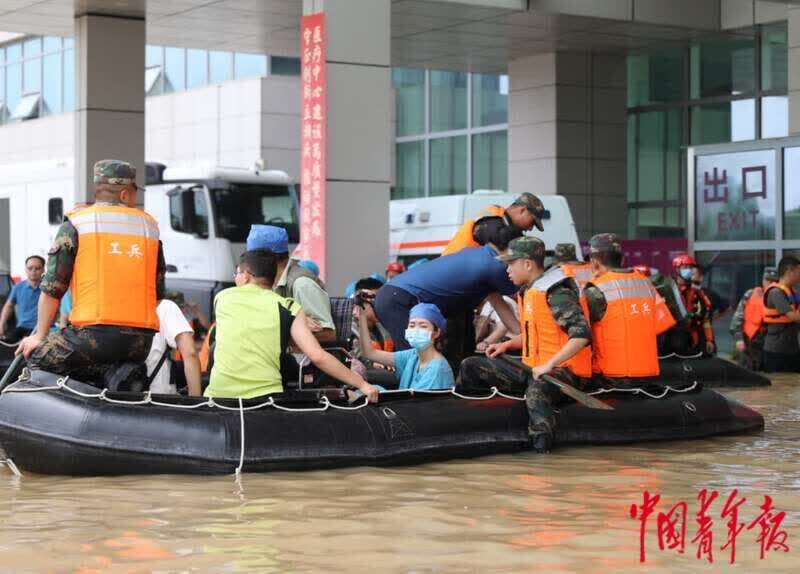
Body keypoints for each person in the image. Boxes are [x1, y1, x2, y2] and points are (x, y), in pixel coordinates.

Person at [16, 160, 165, 388]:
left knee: (35, 356)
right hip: (140, 342)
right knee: (96, 363)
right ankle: (113, 377)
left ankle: (93, 387)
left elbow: (52, 288)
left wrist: (39, 336)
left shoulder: (77, 223)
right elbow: (158, 292)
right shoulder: (150, 229)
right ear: (125, 194)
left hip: (92, 337)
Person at [459, 237, 592, 452]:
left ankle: (542, 452)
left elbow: (581, 335)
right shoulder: (530, 291)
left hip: (564, 372)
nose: (507, 270)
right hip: (533, 367)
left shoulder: (557, 292)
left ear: (527, 264)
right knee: (471, 365)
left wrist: (550, 365)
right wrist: (508, 345)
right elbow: (533, 336)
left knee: (537, 391)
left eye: (511, 264)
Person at [205, 250, 378, 401]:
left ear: (247, 274)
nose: (235, 278)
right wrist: (363, 385)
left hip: (219, 395)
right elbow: (318, 356)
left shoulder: (222, 298)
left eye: (237, 274)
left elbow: (246, 330)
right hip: (265, 397)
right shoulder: (288, 307)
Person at [374, 243, 520, 351]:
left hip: (394, 296)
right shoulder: (493, 267)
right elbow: (515, 290)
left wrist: (523, 338)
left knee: (415, 356)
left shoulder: (477, 262)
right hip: (400, 299)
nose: (510, 272)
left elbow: (500, 306)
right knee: (412, 357)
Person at [583, 234, 665, 383]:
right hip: (648, 373)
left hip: (611, 377)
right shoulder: (646, 283)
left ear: (594, 262)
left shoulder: (595, 290)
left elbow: (580, 335)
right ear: (621, 259)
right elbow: (662, 326)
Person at [248, 225, 336, 343]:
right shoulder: (269, 282)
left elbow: (329, 334)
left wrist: (286, 332)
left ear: (267, 259)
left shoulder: (302, 284)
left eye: (252, 259)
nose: (248, 264)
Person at [357, 301, 453, 391]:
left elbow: (419, 405)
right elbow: (369, 353)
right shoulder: (413, 355)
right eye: (412, 325)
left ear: (436, 333)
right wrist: (362, 316)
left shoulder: (437, 369)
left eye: (423, 326)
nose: (416, 330)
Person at [442, 193, 546, 256]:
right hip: (447, 274)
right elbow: (494, 236)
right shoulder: (493, 213)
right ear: (522, 210)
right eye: (532, 222)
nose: (531, 228)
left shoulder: (504, 222)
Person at [145, 295, 202, 396]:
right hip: (158, 398)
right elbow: (190, 353)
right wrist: (196, 401)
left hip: (115, 398)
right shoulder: (165, 307)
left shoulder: (113, 310)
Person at [729, 267, 777, 371]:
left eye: (774, 281)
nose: (771, 284)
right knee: (746, 373)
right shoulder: (750, 294)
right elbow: (737, 319)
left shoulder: (781, 297)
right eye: (768, 280)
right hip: (749, 342)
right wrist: (739, 339)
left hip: (770, 344)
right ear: (763, 280)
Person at [761, 256, 800, 372]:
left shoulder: (794, 292)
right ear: (789, 271)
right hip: (776, 350)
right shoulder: (776, 293)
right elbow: (794, 317)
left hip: (792, 348)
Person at [673, 254, 715, 356]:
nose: (689, 270)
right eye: (685, 267)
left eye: (691, 267)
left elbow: (706, 319)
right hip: (674, 340)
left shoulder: (698, 292)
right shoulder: (670, 291)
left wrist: (709, 339)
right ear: (677, 270)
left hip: (695, 339)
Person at [0, 255, 44, 341]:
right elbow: (8, 306)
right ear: (26, 270)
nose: (33, 271)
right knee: (6, 344)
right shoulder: (18, 287)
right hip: (22, 328)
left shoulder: (48, 289)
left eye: (37, 268)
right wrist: (1, 325)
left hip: (42, 329)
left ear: (43, 269)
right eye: (30, 268)